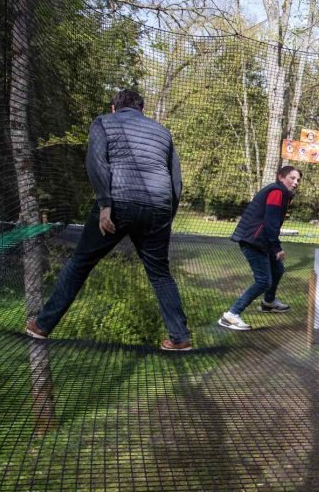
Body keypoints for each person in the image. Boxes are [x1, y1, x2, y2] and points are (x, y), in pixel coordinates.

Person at [25, 89, 193, 351]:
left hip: (119, 203)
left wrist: (105, 204)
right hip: (158, 207)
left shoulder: (103, 122)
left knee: (80, 262)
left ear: (114, 108)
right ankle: (180, 337)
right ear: (142, 109)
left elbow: (96, 163)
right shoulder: (162, 132)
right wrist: (166, 216)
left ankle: (42, 325)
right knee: (160, 274)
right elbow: (176, 181)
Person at [218, 166, 300, 330]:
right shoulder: (277, 192)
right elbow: (270, 222)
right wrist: (276, 247)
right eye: (292, 178)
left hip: (261, 240)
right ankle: (231, 315)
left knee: (277, 269)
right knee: (263, 281)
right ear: (281, 177)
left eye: (298, 180)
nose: (296, 182)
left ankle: (268, 303)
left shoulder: (283, 193)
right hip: (253, 240)